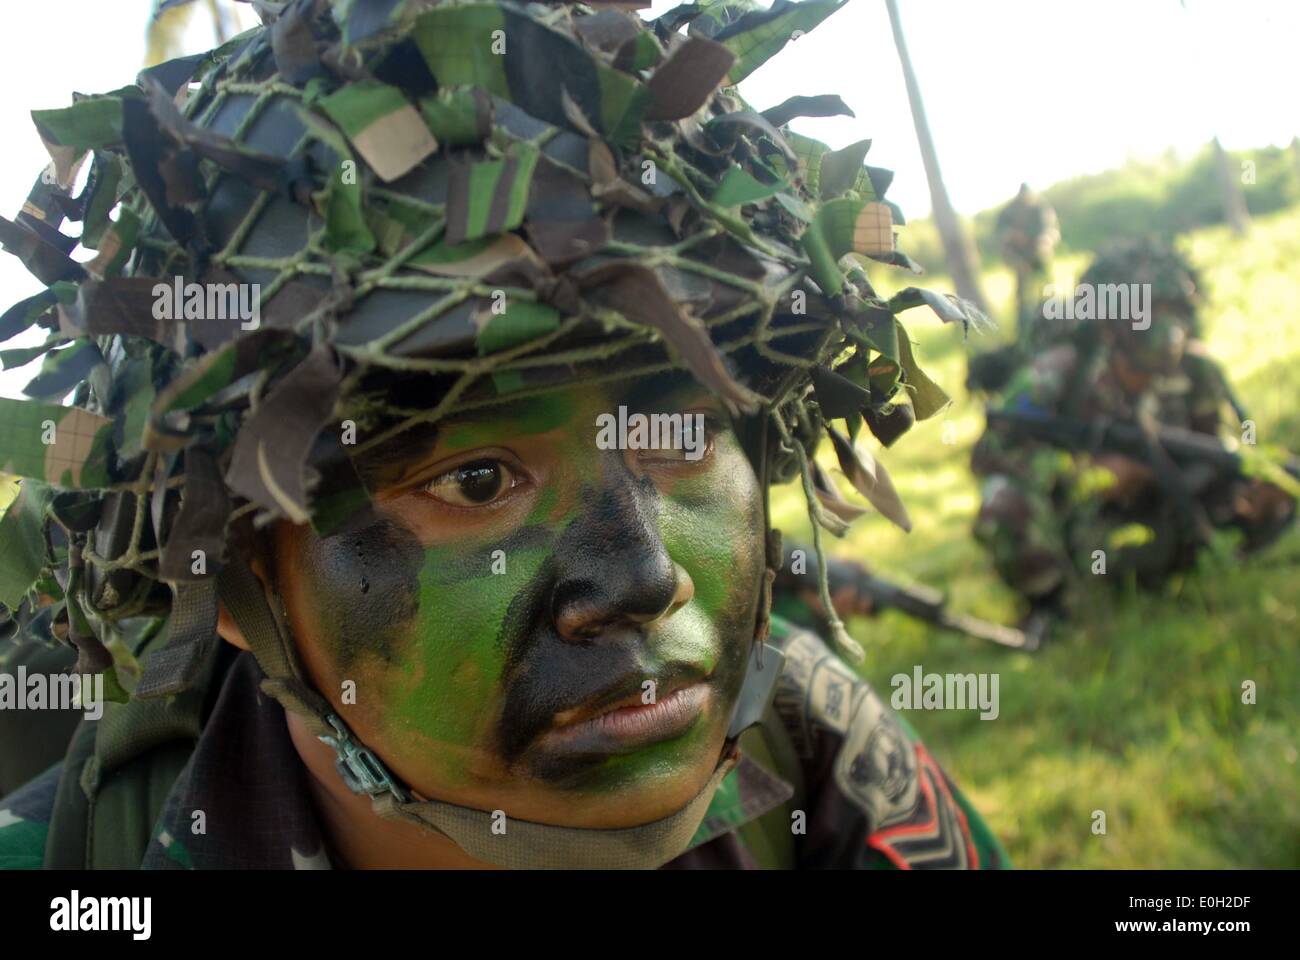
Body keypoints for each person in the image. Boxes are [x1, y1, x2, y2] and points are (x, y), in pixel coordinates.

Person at [0, 0, 1006, 869]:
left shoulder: (814, 742)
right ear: (233, 576)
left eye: (681, 435)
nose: (645, 578)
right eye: (476, 479)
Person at [970, 237, 1294, 641]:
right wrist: (1083, 474)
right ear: (1111, 326)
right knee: (1002, 500)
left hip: (1169, 506)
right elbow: (991, 454)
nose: (1168, 330)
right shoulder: (1055, 375)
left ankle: (1200, 554)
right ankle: (1053, 605)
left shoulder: (1198, 371)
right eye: (1151, 314)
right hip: (1084, 520)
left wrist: (1254, 489)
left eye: (1176, 312)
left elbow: (1219, 449)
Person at [995, 183, 1059, 335]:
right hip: (1020, 258)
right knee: (1022, 295)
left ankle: (1051, 319)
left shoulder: (1041, 208)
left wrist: (1045, 241)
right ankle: (1023, 327)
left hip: (1039, 255)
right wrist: (1012, 236)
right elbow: (1001, 231)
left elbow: (1051, 230)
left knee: (1047, 288)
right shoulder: (1009, 211)